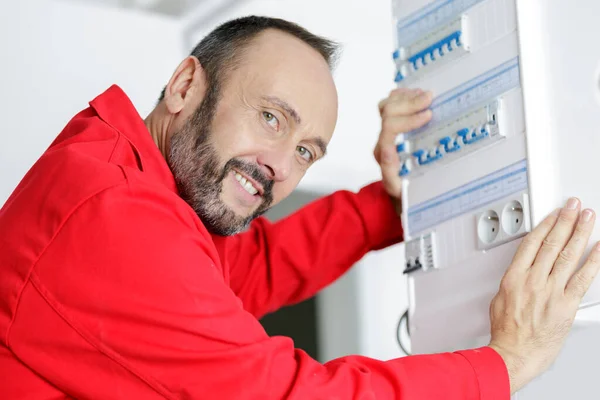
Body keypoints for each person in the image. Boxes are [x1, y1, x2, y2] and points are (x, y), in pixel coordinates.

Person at [0, 15, 598, 399]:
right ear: (186, 86)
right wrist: (507, 362)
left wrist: (393, 202)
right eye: (271, 117)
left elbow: (249, 269)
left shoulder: (136, 179)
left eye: (307, 150)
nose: (281, 166)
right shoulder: (114, 213)